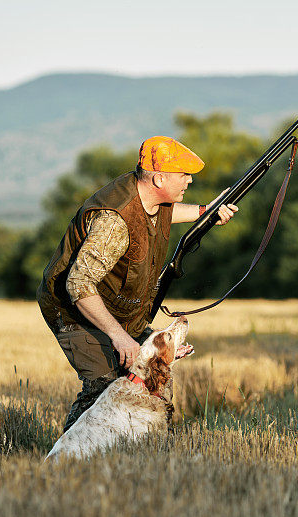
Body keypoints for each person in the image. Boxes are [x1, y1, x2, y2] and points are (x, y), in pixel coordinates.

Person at [37, 136, 237, 432]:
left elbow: (163, 217)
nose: (190, 181)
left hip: (116, 305)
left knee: (153, 374)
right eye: (183, 174)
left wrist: (206, 212)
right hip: (74, 310)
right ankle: (68, 463)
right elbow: (78, 284)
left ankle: (142, 450)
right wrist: (119, 336)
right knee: (104, 387)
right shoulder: (113, 220)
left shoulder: (152, 197)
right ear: (158, 178)